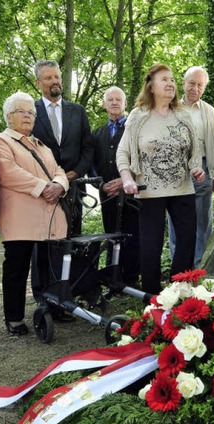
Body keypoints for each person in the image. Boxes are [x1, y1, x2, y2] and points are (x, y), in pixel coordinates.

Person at [117, 63, 205, 294]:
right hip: (149, 192)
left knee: (186, 242)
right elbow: (122, 152)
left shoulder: (183, 115)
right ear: (151, 86)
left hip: (183, 190)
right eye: (164, 79)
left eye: (172, 79)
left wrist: (196, 168)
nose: (170, 83)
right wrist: (127, 178)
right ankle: (153, 300)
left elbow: (193, 152)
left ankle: (179, 295)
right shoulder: (138, 116)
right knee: (151, 247)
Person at [0, 92, 69, 336]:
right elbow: (6, 171)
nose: (28, 115)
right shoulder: (1, 140)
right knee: (16, 266)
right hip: (20, 216)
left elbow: (58, 170)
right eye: (21, 111)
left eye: (31, 112)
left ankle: (52, 307)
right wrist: (44, 187)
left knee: (49, 266)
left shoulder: (41, 144)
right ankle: (14, 318)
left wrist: (59, 185)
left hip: (49, 216)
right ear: (8, 116)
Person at [167, 66, 214, 267]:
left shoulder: (210, 112)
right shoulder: (169, 109)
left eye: (200, 85)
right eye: (191, 83)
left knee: (202, 223)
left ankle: (201, 270)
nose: (195, 88)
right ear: (183, 83)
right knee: (175, 222)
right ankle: (178, 271)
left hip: (203, 170)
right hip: (175, 173)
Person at [31, 59, 93, 235]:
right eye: (48, 77)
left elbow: (88, 148)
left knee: (72, 243)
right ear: (38, 83)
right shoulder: (29, 112)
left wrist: (75, 173)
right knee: (44, 245)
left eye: (57, 76)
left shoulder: (78, 111)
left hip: (74, 187)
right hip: (44, 189)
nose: (54, 81)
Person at [91, 86, 140, 285]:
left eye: (118, 99)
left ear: (125, 103)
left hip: (131, 191)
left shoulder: (135, 127)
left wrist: (126, 179)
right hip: (107, 194)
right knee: (111, 233)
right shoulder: (97, 133)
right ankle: (113, 276)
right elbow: (92, 164)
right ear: (104, 104)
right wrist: (101, 185)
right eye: (110, 99)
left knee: (132, 234)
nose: (114, 102)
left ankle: (131, 277)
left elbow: (142, 157)